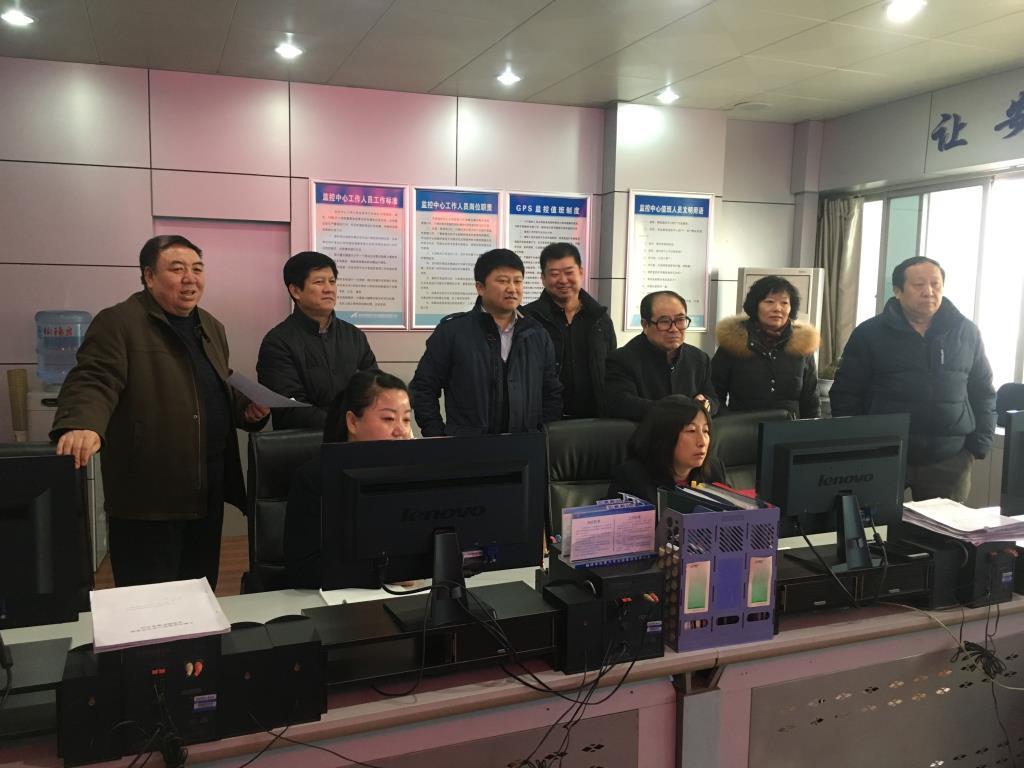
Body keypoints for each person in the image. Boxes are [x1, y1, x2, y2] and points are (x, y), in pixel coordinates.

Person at [51, 235, 270, 589]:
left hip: (206, 487)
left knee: (200, 588)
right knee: (149, 598)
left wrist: (246, 409)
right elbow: (95, 377)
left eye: (197, 269)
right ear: (149, 276)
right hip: (149, 493)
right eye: (177, 269)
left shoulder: (211, 326)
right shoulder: (119, 322)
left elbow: (215, 383)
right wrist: (82, 422)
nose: (190, 278)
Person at [830, 256, 996, 502]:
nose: (929, 291)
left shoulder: (966, 332)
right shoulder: (869, 333)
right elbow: (846, 394)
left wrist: (978, 445)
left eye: (935, 284)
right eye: (919, 285)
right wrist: (859, 446)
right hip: (883, 456)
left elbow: (983, 391)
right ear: (898, 291)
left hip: (949, 458)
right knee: (876, 523)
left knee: (942, 527)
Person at [409, 248, 563, 436]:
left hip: (525, 446)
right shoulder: (453, 332)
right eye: (503, 281)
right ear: (480, 287)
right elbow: (423, 388)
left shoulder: (537, 334)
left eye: (517, 281)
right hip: (468, 447)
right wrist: (437, 436)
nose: (512, 289)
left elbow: (551, 393)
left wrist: (543, 438)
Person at [284, 370, 413, 588]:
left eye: (407, 419)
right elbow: (303, 570)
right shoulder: (315, 478)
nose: (401, 430)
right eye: (389, 419)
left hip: (407, 593)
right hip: (338, 599)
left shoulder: (411, 476)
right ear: (353, 422)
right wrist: (388, 573)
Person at [257, 251, 377, 430]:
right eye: (319, 282)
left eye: (332, 281)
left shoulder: (354, 336)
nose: (329, 289)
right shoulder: (278, 342)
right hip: (307, 442)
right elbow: (289, 407)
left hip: (355, 438)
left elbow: (373, 387)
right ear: (295, 291)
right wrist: (344, 426)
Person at [522, 243, 616, 418]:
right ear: (543, 278)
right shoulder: (528, 319)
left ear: (581, 272)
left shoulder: (599, 318)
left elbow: (611, 368)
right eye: (554, 274)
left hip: (594, 419)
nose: (563, 280)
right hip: (543, 419)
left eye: (569, 272)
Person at [711, 276, 820, 418]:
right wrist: (727, 424)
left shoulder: (802, 346)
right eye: (769, 302)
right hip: (742, 428)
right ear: (755, 305)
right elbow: (714, 395)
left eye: (784, 303)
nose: (777, 308)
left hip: (790, 428)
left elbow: (811, 401)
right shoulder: (733, 342)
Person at [604, 290, 717, 421]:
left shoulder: (699, 359)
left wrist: (705, 403)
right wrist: (678, 411)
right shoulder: (621, 360)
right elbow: (622, 404)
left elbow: (713, 398)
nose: (674, 329)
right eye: (664, 321)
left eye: (680, 320)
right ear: (645, 325)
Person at [607, 396, 727, 504]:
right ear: (665, 436)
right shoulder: (633, 478)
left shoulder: (714, 471)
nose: (702, 442)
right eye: (691, 430)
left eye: (705, 431)